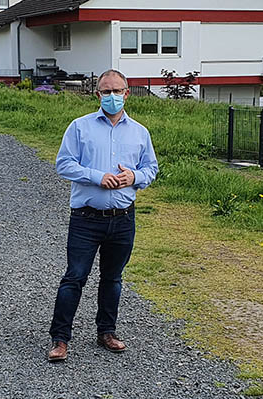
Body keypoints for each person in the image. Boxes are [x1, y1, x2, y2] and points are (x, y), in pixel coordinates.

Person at [46, 69, 159, 362]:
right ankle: (60, 339)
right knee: (75, 277)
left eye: (117, 91)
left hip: (123, 219)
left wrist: (133, 176)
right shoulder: (80, 127)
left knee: (113, 278)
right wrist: (98, 176)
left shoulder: (140, 132)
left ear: (127, 93)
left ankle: (106, 332)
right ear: (97, 95)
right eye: (106, 92)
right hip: (86, 218)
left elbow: (151, 169)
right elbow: (64, 164)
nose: (112, 96)